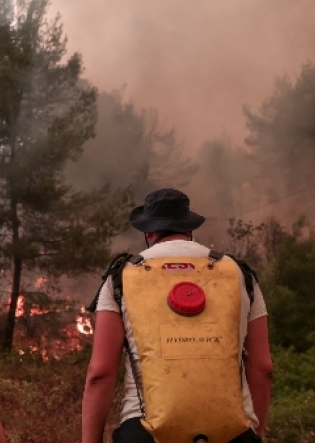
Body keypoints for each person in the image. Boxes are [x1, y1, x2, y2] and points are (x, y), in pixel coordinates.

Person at [81, 188, 273, 443]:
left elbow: (100, 373)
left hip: (144, 433)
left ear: (148, 233)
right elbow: (262, 368)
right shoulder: (239, 274)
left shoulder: (121, 278)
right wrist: (254, 433)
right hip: (234, 434)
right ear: (189, 229)